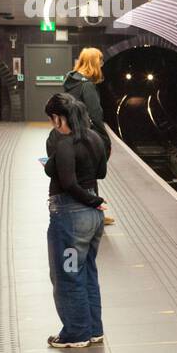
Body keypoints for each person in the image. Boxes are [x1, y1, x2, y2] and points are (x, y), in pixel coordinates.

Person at [44, 92, 108, 349]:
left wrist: (92, 201)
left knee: (68, 274)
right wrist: (95, 201)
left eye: (51, 119)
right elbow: (100, 172)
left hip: (71, 217)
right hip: (93, 220)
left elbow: (69, 183)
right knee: (87, 271)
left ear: (59, 118)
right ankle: (94, 329)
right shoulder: (95, 138)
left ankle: (76, 333)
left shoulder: (64, 143)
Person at [62, 47, 115, 223]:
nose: (102, 64)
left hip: (71, 135)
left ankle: (92, 213)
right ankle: (93, 215)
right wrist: (105, 140)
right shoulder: (87, 86)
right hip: (86, 137)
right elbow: (95, 114)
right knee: (89, 177)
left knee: (80, 176)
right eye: (100, 60)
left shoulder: (71, 82)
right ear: (93, 63)